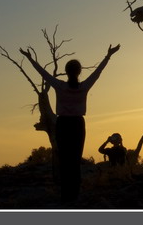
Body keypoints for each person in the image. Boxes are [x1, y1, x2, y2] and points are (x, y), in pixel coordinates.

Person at [20, 43, 120, 202]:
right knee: (75, 160)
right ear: (79, 72)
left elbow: (43, 73)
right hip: (77, 125)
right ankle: (74, 195)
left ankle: (66, 196)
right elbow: (98, 72)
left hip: (63, 125)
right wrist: (108, 55)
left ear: (66, 72)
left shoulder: (59, 85)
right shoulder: (84, 86)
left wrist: (30, 58)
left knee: (65, 160)